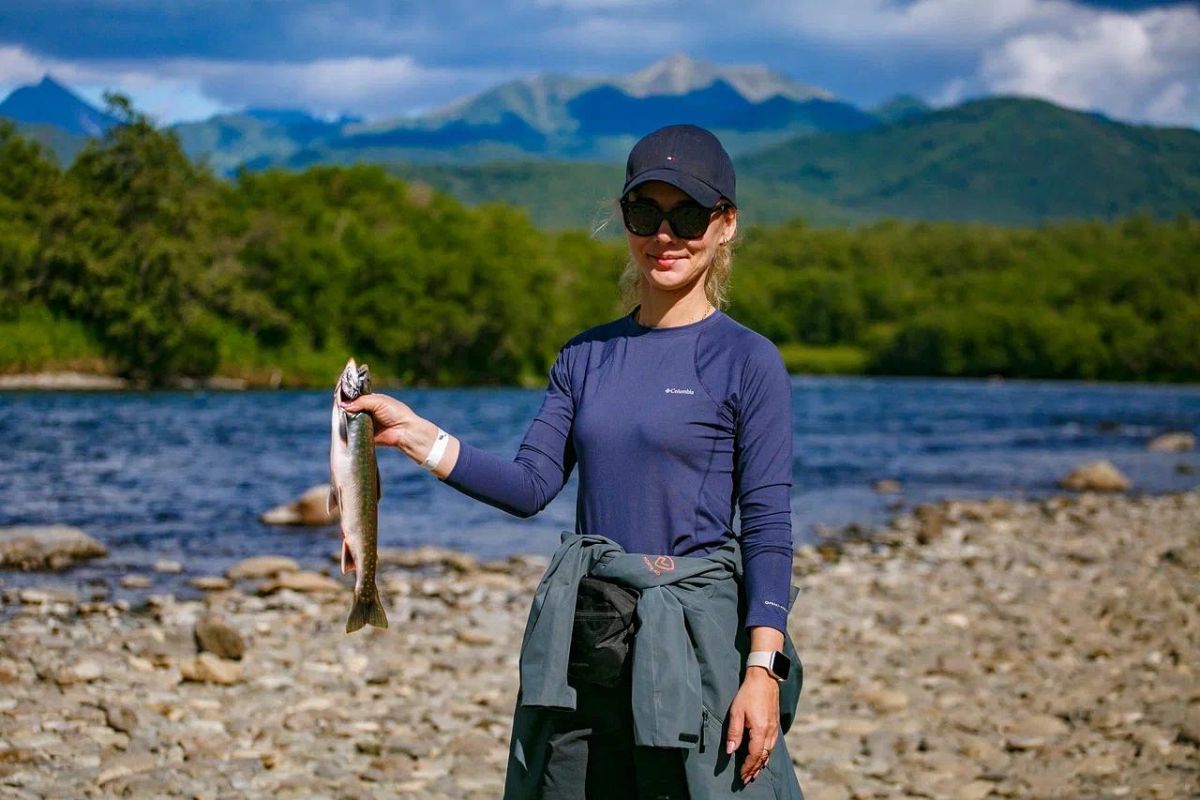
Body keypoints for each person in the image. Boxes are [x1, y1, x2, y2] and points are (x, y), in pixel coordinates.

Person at [343, 124, 803, 799]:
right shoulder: (583, 356)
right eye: (646, 213)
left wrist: (763, 669)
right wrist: (419, 437)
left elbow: (767, 524)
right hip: (591, 632)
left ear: (725, 224)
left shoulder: (749, 361)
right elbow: (531, 486)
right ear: (625, 220)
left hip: (697, 645)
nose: (665, 235)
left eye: (689, 215)